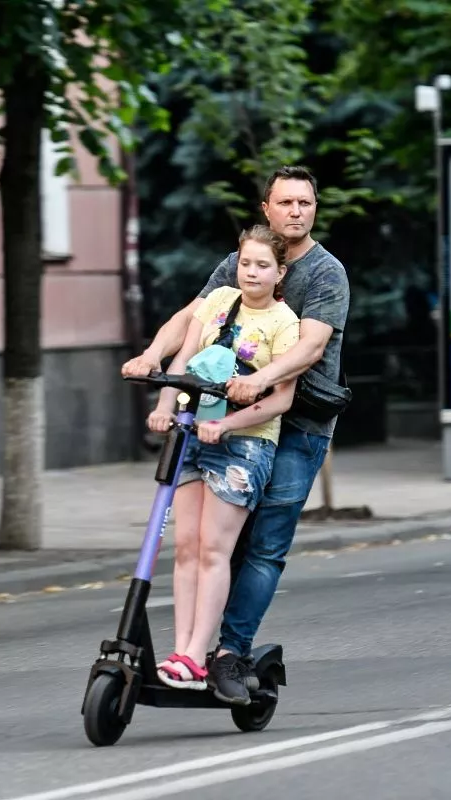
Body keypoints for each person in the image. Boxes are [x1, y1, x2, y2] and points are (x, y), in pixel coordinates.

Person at [122, 165, 349, 703]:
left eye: (306, 203)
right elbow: (193, 318)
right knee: (211, 543)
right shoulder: (240, 263)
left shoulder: (325, 273)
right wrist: (153, 357)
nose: (297, 211)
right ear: (266, 209)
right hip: (225, 416)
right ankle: (193, 649)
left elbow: (311, 348)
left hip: (299, 422)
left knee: (264, 546)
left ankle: (229, 652)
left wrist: (257, 381)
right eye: (287, 202)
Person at [149, 225, 300, 699]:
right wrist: (165, 407)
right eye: (245, 262)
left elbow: (281, 401)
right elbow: (185, 361)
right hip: (196, 435)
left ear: (280, 272)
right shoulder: (216, 303)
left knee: (215, 550)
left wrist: (229, 426)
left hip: (245, 445)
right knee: (188, 547)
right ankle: (181, 653)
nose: (251, 272)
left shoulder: (284, 323)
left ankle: (197, 656)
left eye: (262, 265)